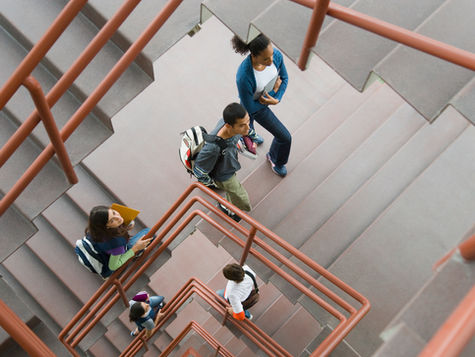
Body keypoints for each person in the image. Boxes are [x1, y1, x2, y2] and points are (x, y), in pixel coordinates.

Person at [232, 34, 291, 177]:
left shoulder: (275, 55)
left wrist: (276, 98)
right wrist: (269, 98)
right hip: (254, 105)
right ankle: (275, 158)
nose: (271, 61)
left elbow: (284, 78)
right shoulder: (244, 76)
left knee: (247, 125)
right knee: (285, 138)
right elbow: (250, 107)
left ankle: (249, 135)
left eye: (271, 55)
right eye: (265, 59)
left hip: (263, 98)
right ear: (254, 55)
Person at [193, 103, 252, 222]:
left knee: (233, 193)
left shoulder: (229, 125)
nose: (247, 128)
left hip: (229, 165)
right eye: (242, 126)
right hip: (224, 176)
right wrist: (212, 183)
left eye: (248, 122)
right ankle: (228, 208)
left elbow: (244, 131)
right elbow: (198, 170)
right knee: (242, 198)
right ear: (228, 126)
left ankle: (228, 203)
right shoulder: (213, 147)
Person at [86, 205, 151, 272]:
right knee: (148, 232)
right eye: (112, 221)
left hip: (103, 252)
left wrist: (126, 227)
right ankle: (137, 253)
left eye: (114, 213)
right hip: (112, 259)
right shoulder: (116, 243)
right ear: (107, 227)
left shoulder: (94, 231)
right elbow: (113, 266)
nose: (118, 217)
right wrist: (136, 248)